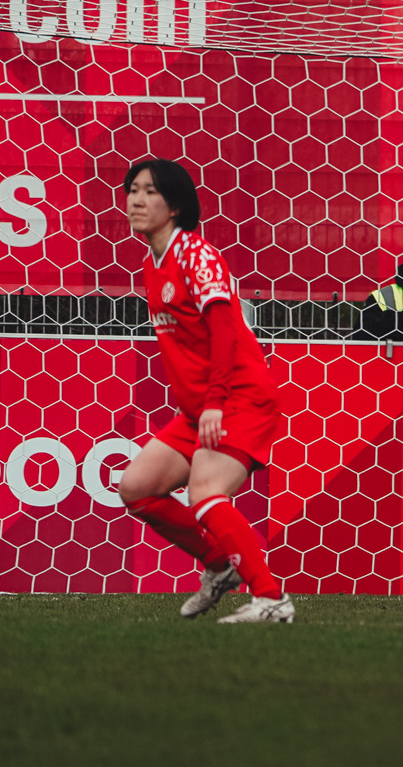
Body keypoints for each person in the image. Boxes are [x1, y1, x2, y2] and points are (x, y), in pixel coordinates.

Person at [114, 158, 294, 624]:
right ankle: (218, 566)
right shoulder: (151, 263)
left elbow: (225, 332)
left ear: (175, 206)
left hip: (239, 398)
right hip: (202, 408)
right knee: (137, 489)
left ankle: (271, 599)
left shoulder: (197, 255)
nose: (136, 200)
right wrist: (203, 406)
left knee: (207, 493)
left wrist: (214, 402)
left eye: (150, 192)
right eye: (133, 190)